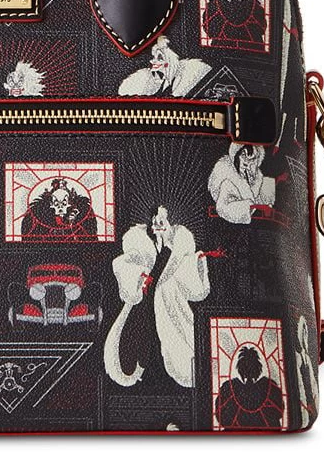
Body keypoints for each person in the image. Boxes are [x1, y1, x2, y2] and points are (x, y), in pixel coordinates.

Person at [104, 206, 215, 389]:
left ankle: (169, 380)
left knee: (175, 343)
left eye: (162, 221)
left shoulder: (179, 247)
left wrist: (198, 261)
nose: (157, 224)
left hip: (169, 303)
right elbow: (122, 263)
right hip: (144, 303)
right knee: (140, 342)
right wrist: (140, 275)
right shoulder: (140, 243)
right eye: (155, 220)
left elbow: (194, 287)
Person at [214, 346, 285, 429]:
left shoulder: (229, 388)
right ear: (258, 368)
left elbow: (222, 417)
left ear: (240, 368)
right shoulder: (270, 387)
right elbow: (278, 412)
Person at [118, 35, 210, 97]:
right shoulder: (156, 82)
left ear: (170, 59)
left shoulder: (188, 76)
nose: (152, 61)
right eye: (154, 57)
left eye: (160, 58)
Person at [208, 144, 276, 224]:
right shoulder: (227, 181)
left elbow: (262, 200)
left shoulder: (257, 178)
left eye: (251, 158)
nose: (246, 162)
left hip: (258, 225)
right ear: (236, 154)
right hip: (230, 225)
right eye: (243, 155)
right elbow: (223, 208)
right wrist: (251, 207)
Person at [203, 0, 267, 50]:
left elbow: (209, 29)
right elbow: (261, 29)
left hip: (221, 52)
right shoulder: (254, 7)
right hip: (249, 53)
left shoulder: (215, 6)